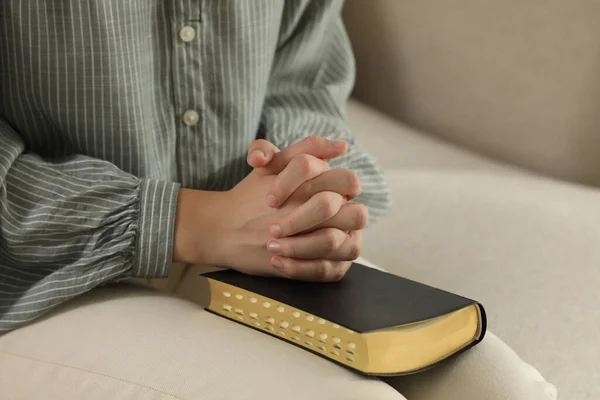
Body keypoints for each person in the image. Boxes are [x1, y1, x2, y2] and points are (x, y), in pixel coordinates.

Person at [0, 1, 556, 399]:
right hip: (40, 280)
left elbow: (302, 74)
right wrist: (183, 221)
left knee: (510, 392)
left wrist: (304, 191)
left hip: (247, 253)